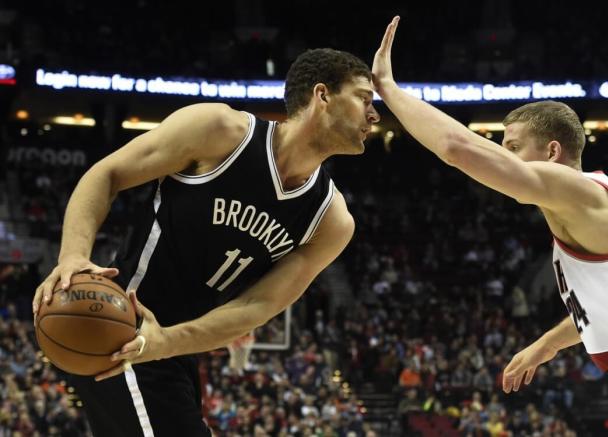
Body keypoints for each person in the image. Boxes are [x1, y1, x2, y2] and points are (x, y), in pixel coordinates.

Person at [373, 17, 608, 436]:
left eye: (511, 148)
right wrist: (546, 345)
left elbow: (458, 149)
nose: (503, 157)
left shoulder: (579, 191)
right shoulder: (598, 204)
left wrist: (390, 90)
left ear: (552, 152)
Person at [32, 47, 380, 436]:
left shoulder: (331, 220)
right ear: (322, 95)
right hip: (118, 328)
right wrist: (73, 257)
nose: (374, 114)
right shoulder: (219, 131)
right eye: (364, 98)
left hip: (173, 352)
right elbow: (107, 174)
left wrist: (167, 342)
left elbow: (256, 305)